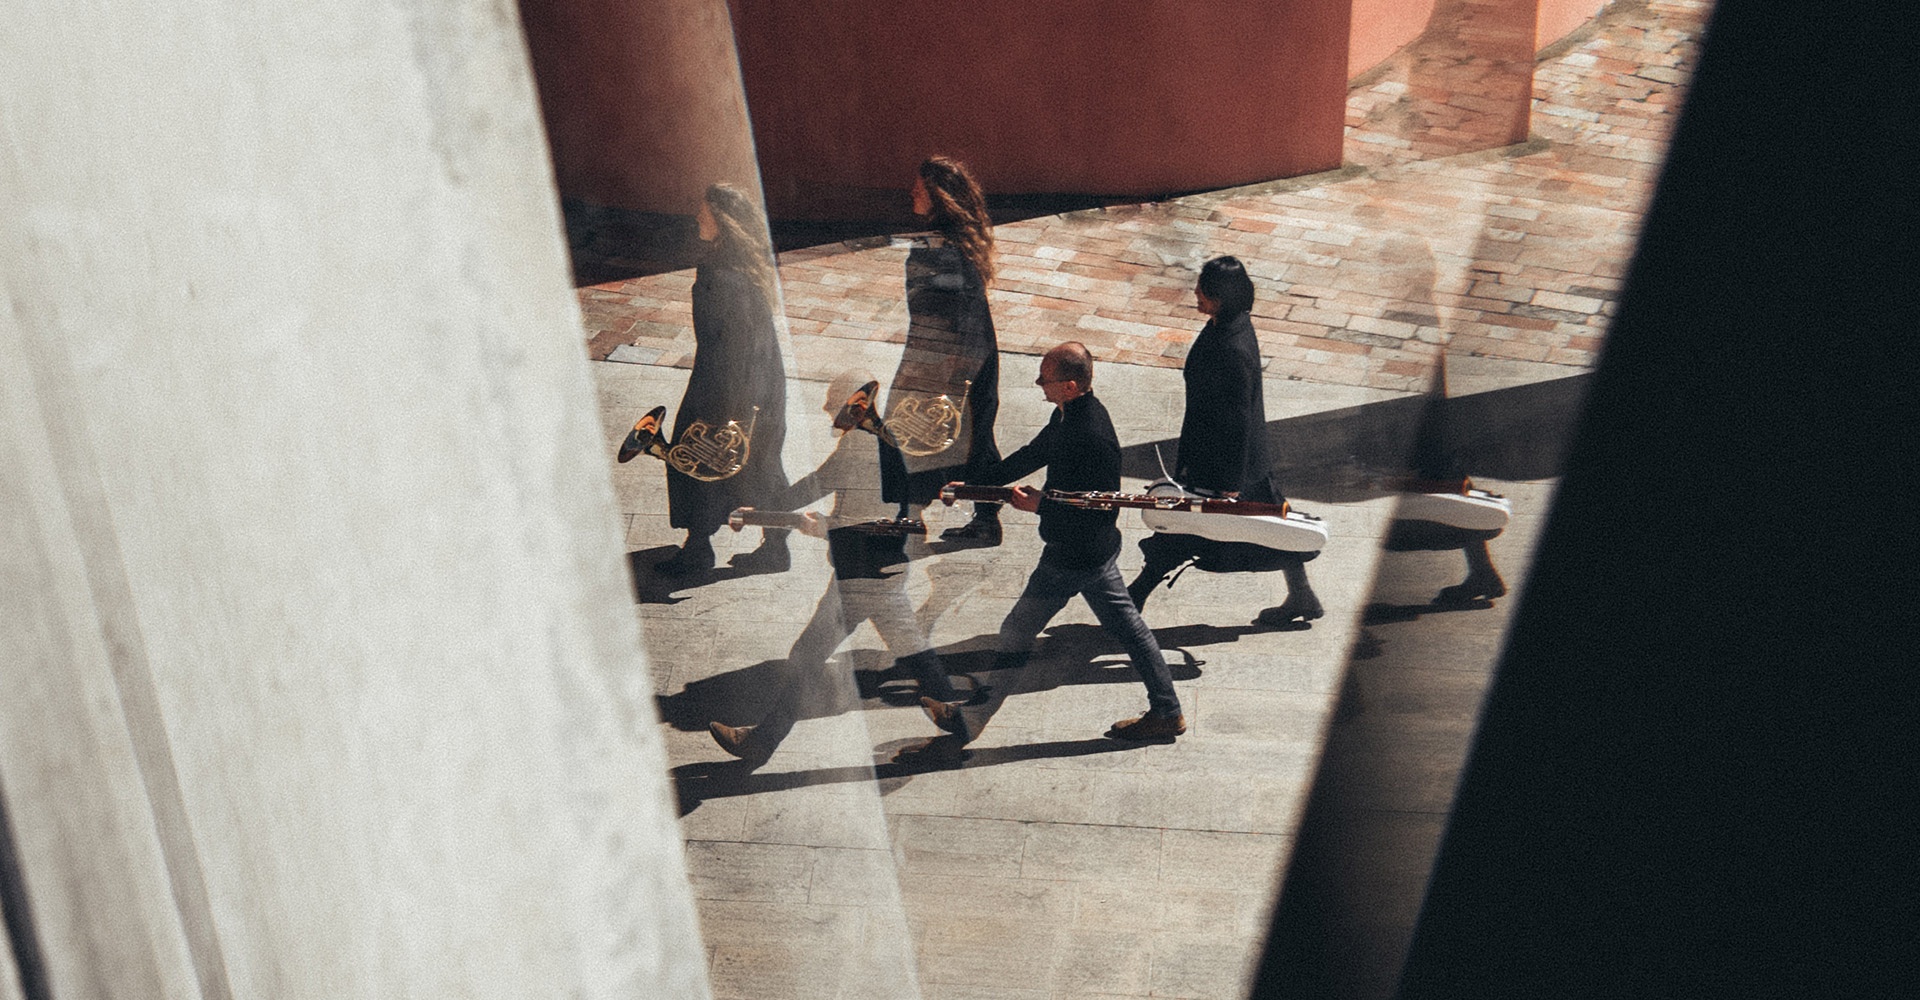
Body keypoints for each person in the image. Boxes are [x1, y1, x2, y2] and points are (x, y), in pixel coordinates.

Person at [918, 343, 1186, 745]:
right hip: (1092, 551)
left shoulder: (1090, 435)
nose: (1038, 382)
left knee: (1015, 631)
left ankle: (971, 719)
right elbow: (1034, 453)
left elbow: (1098, 511)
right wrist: (977, 487)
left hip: (1073, 554)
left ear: (1071, 385)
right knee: (1129, 630)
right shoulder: (1068, 415)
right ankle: (1167, 711)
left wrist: (1042, 508)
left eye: (1046, 378)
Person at [708, 377, 964, 761]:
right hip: (885, 567)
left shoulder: (860, 446)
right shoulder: (887, 441)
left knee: (807, 655)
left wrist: (778, 517)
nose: (829, 411)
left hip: (862, 575)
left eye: (836, 404)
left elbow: (826, 493)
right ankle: (957, 721)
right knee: (911, 648)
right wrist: (768, 514)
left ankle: (761, 743)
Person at [1125, 255, 1324, 626]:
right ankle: (1302, 596)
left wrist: (1229, 484)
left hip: (1227, 467)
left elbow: (1236, 421)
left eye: (1204, 290)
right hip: (1227, 460)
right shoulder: (1227, 324)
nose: (1196, 294)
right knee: (1268, 531)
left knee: (1192, 530)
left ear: (1221, 297)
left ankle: (1133, 599)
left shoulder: (1232, 347)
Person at [655, 182, 791, 576]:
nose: (698, 216)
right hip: (763, 377)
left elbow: (727, 340)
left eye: (705, 211)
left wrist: (725, 405)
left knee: (695, 454)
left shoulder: (719, 272)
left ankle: (698, 549)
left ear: (722, 219)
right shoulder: (748, 263)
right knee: (762, 462)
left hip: (725, 379)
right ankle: (776, 547)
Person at [879, 155, 1003, 544]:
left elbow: (947, 312)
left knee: (908, 428)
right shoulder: (956, 240)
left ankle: (910, 516)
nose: (912, 193)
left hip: (946, 357)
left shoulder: (939, 249)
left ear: (937, 197)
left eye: (919, 189)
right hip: (970, 354)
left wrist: (938, 373)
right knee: (976, 435)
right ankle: (984, 517)